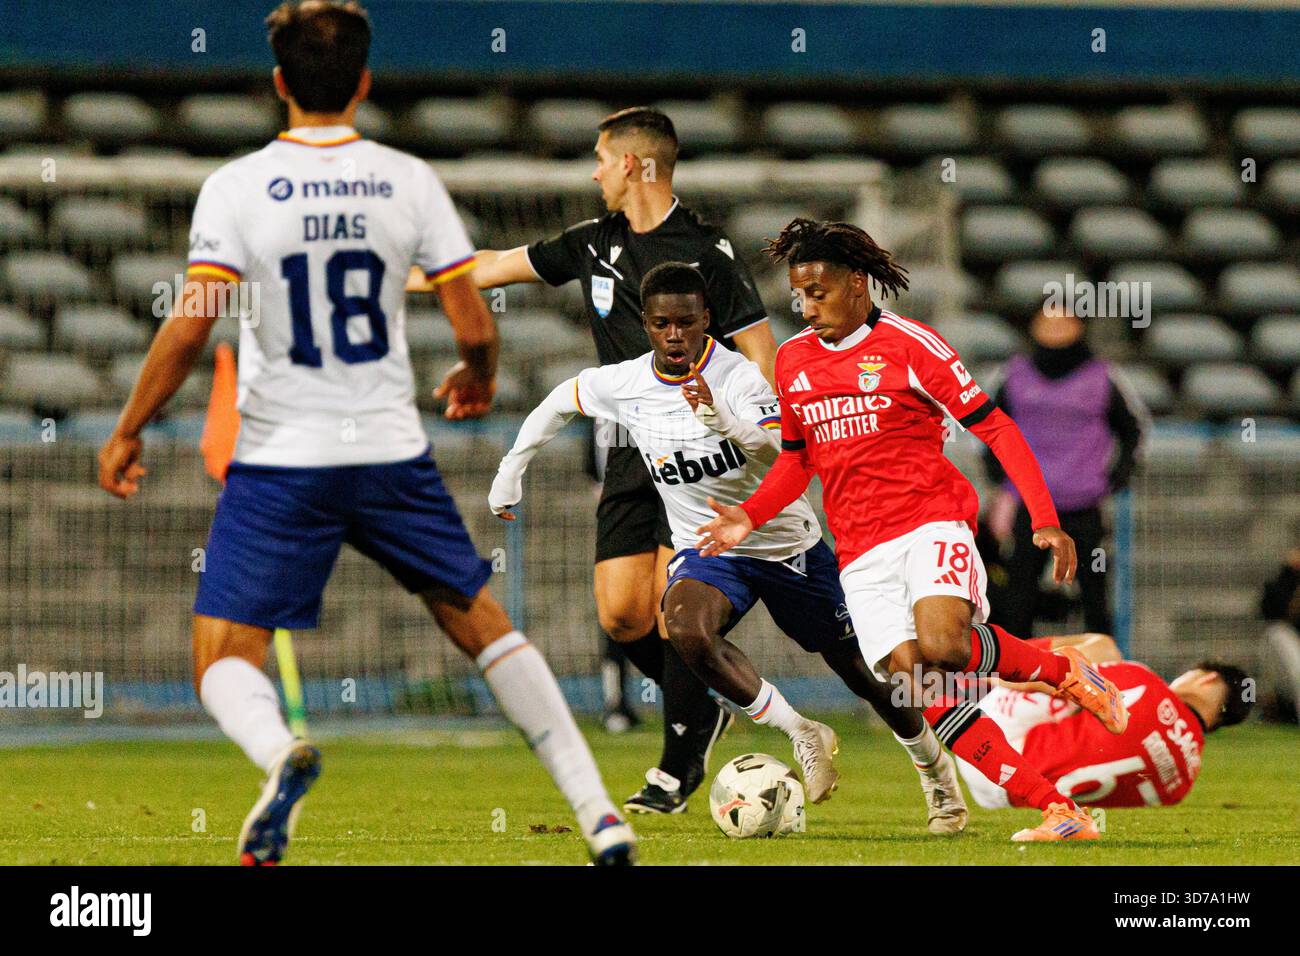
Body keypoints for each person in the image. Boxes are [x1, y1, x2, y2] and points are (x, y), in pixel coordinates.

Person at [95, 0, 635, 866]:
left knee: (219, 655)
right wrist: (479, 376)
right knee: (482, 622)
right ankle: (600, 811)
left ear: (278, 85)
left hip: (280, 462)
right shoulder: (405, 179)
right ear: (366, 83)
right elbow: (473, 322)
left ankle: (279, 754)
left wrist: (128, 428)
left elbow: (191, 323)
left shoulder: (235, 187)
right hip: (387, 450)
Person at [696, 218, 1133, 842]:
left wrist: (1044, 519)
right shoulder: (793, 362)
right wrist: (748, 515)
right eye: (799, 294)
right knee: (916, 682)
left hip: (929, 520)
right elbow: (797, 459)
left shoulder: (911, 344)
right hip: (859, 550)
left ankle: (1063, 672)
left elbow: (997, 427)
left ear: (856, 283)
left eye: (818, 291)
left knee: (946, 645)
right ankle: (1059, 810)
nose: (807, 305)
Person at [489, 262, 968, 831]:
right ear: (646, 324)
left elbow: (783, 453)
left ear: (706, 321)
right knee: (686, 628)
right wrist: (509, 472)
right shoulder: (626, 383)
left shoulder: (740, 377)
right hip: (710, 550)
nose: (675, 336)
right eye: (662, 324)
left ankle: (936, 774)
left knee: (865, 674)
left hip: (787, 546)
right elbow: (559, 401)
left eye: (686, 323)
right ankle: (801, 731)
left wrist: (722, 422)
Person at [409, 107, 779, 814]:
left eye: (603, 159)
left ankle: (674, 769)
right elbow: (488, 267)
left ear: (636, 165)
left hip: (700, 450)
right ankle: (702, 706)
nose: (594, 171)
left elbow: (760, 353)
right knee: (620, 616)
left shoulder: (708, 251)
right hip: (626, 448)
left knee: (674, 610)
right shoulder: (593, 242)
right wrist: (388, 275)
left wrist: (755, 443)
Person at [983, 307, 1149, 636]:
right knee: (1018, 595)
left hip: (1083, 507)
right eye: (1048, 322)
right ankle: (1014, 680)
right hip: (1029, 508)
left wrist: (1116, 476)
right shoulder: (1012, 375)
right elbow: (988, 429)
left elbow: (1133, 429)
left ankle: (1106, 674)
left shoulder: (1104, 376)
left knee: (1094, 596)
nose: (1056, 329)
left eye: (1065, 321)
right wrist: (1002, 482)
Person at [954, 634, 1253, 809]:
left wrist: (1001, 678)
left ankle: (983, 659)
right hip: (1005, 798)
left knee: (1103, 650)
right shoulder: (1181, 785)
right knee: (1095, 701)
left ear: (1207, 678)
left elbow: (1056, 680)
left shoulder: (1145, 682)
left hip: (992, 748)